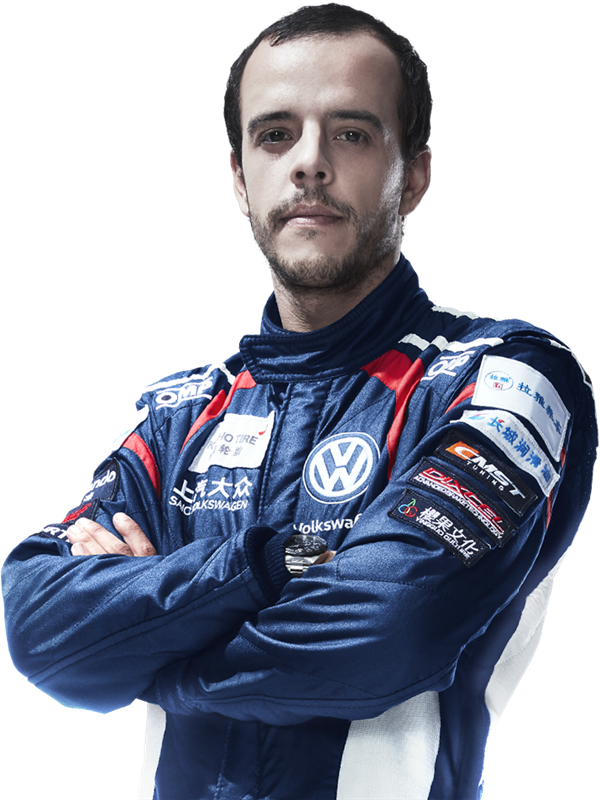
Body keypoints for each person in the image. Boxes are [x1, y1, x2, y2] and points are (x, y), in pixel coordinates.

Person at [2, 5, 597, 799]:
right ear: (239, 180)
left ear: (415, 175)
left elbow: (386, 633)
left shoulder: (505, 376)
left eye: (351, 133)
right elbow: (42, 630)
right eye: (276, 135)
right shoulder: (176, 412)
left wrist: (157, 656)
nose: (309, 163)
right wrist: (264, 567)